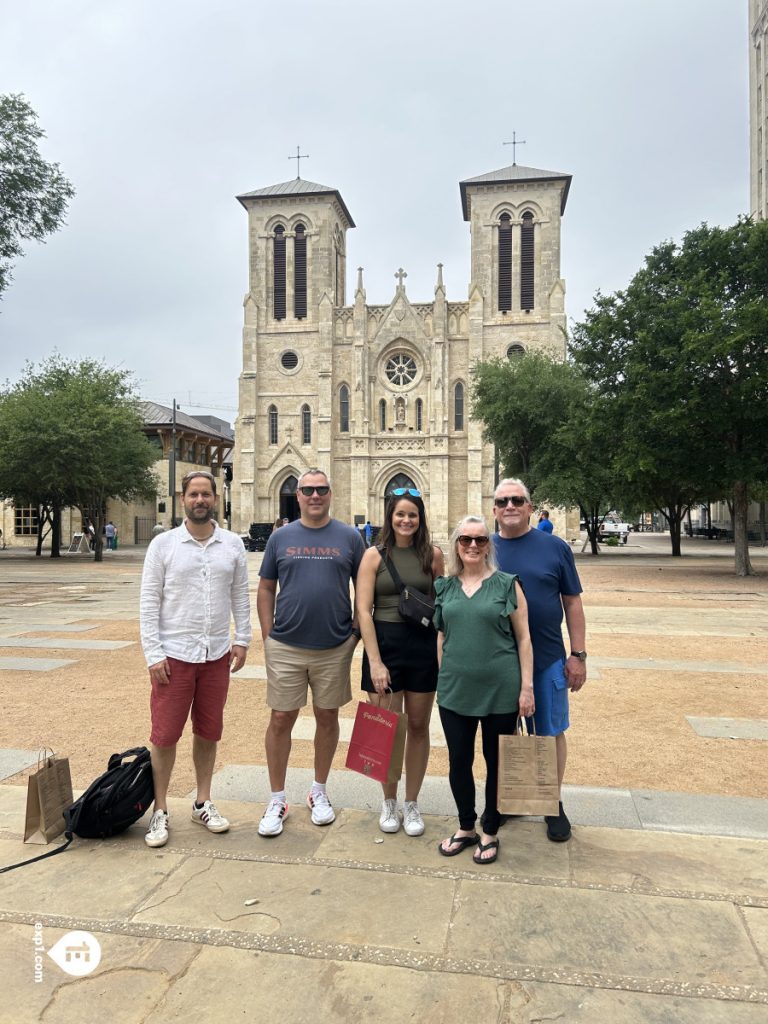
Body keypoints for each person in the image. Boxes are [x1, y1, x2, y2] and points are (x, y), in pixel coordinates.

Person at [140, 470, 252, 848]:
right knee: (165, 735)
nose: (200, 500)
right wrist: (153, 653)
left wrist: (243, 640)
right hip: (174, 656)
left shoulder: (232, 545)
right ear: (183, 499)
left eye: (206, 494)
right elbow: (148, 602)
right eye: (193, 494)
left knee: (208, 731)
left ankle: (202, 801)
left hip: (216, 653)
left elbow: (240, 595)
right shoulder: (164, 545)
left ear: (216, 499)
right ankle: (160, 809)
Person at [257, 468, 365, 837]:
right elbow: (266, 587)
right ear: (298, 495)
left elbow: (364, 589)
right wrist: (268, 635)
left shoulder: (350, 537)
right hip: (286, 645)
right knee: (281, 718)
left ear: (330, 493)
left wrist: (354, 635)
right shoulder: (280, 537)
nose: (314, 495)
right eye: (308, 490)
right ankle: (276, 798)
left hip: (334, 646)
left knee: (327, 715)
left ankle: (318, 791)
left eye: (321, 489)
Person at [491, 478, 587, 842]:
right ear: (494, 509)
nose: (510, 506)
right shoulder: (482, 547)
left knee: (549, 731)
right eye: (503, 501)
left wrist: (577, 655)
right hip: (499, 660)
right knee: (503, 733)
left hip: (547, 657)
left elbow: (572, 602)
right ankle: (508, 798)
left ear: (530, 507)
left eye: (517, 500)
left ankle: (552, 802)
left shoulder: (555, 547)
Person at [434, 515, 533, 865]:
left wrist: (527, 688)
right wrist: (444, 676)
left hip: (500, 691)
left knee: (496, 762)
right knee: (459, 761)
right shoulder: (445, 586)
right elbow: (442, 635)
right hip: (455, 691)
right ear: (456, 545)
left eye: (479, 539)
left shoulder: (507, 584)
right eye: (465, 540)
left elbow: (524, 638)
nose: (472, 545)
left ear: (489, 544)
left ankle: (489, 829)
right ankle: (465, 826)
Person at [355, 488, 444, 836]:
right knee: (385, 730)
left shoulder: (433, 556)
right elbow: (363, 610)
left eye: (412, 515)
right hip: (385, 645)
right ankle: (388, 800)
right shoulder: (373, 557)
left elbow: (442, 605)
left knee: (419, 728)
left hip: (421, 647)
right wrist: (375, 662)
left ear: (420, 519)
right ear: (390, 518)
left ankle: (412, 802)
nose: (406, 520)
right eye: (400, 514)